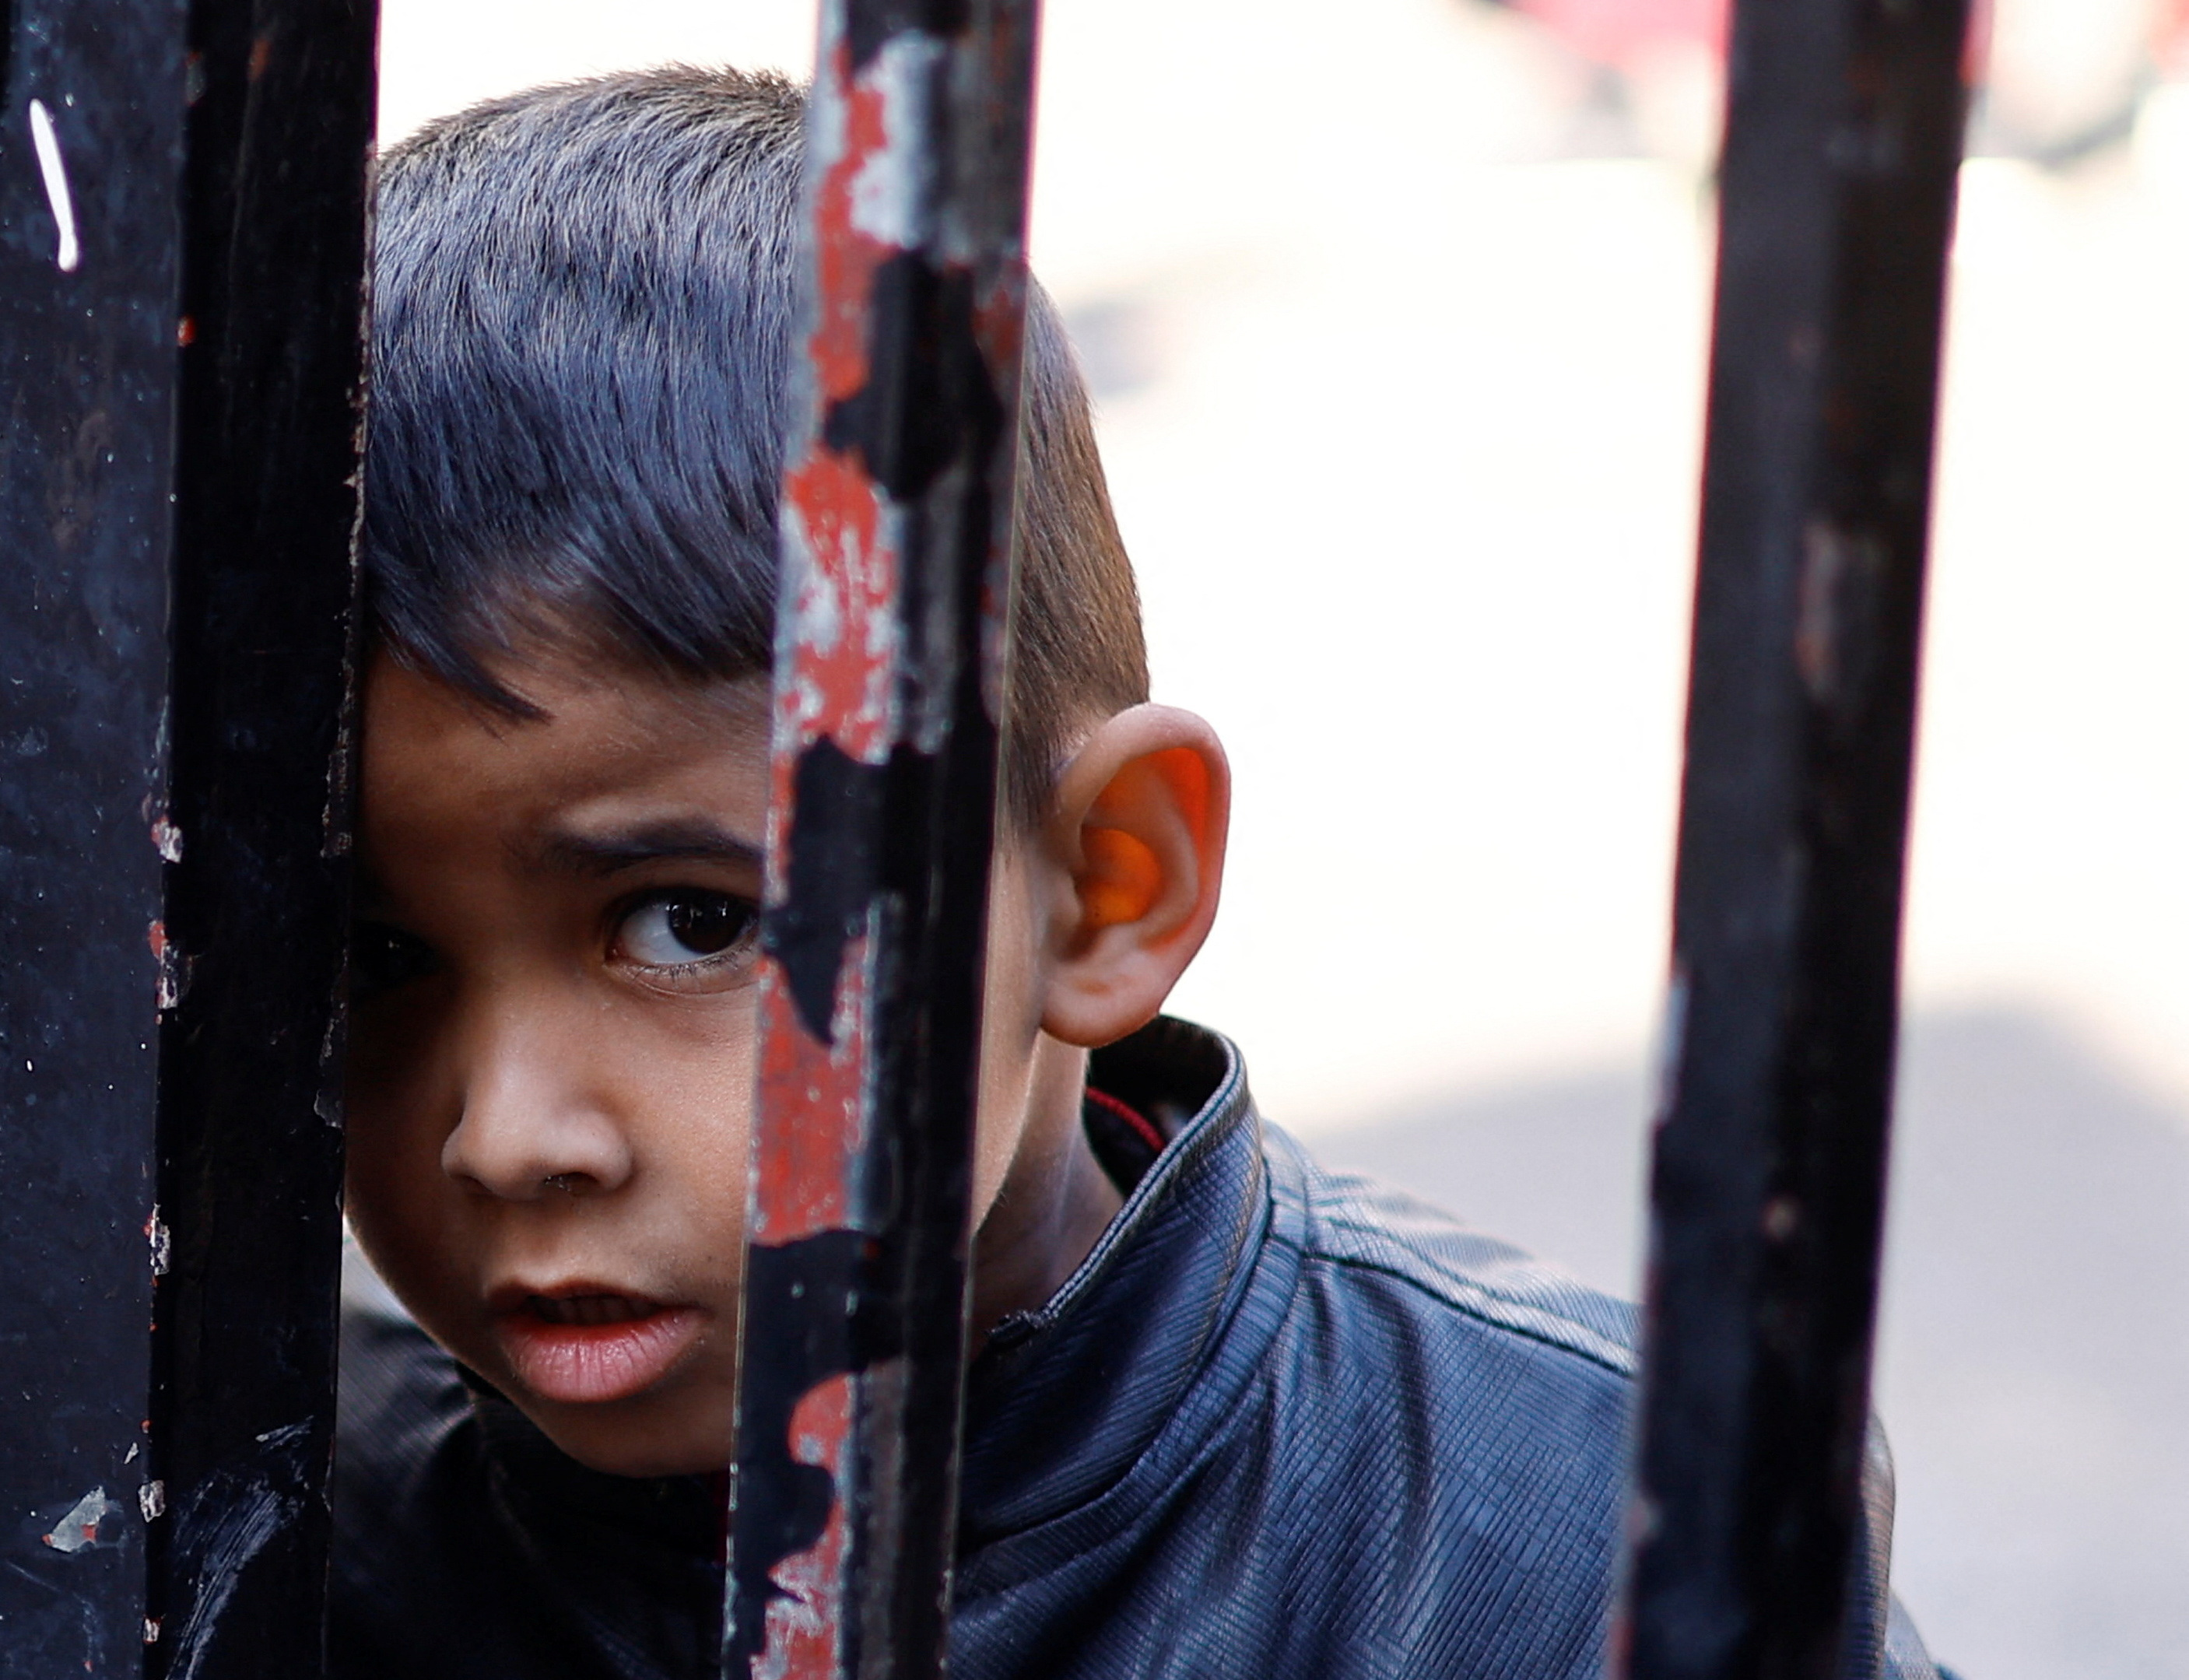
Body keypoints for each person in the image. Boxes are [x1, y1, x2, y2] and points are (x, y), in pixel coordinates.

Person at [328, 65, 1943, 1680]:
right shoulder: (275, 1513)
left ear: (1108, 882)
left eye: (690, 923)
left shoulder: (1558, 1528)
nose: (506, 1137)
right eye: (375, 958)